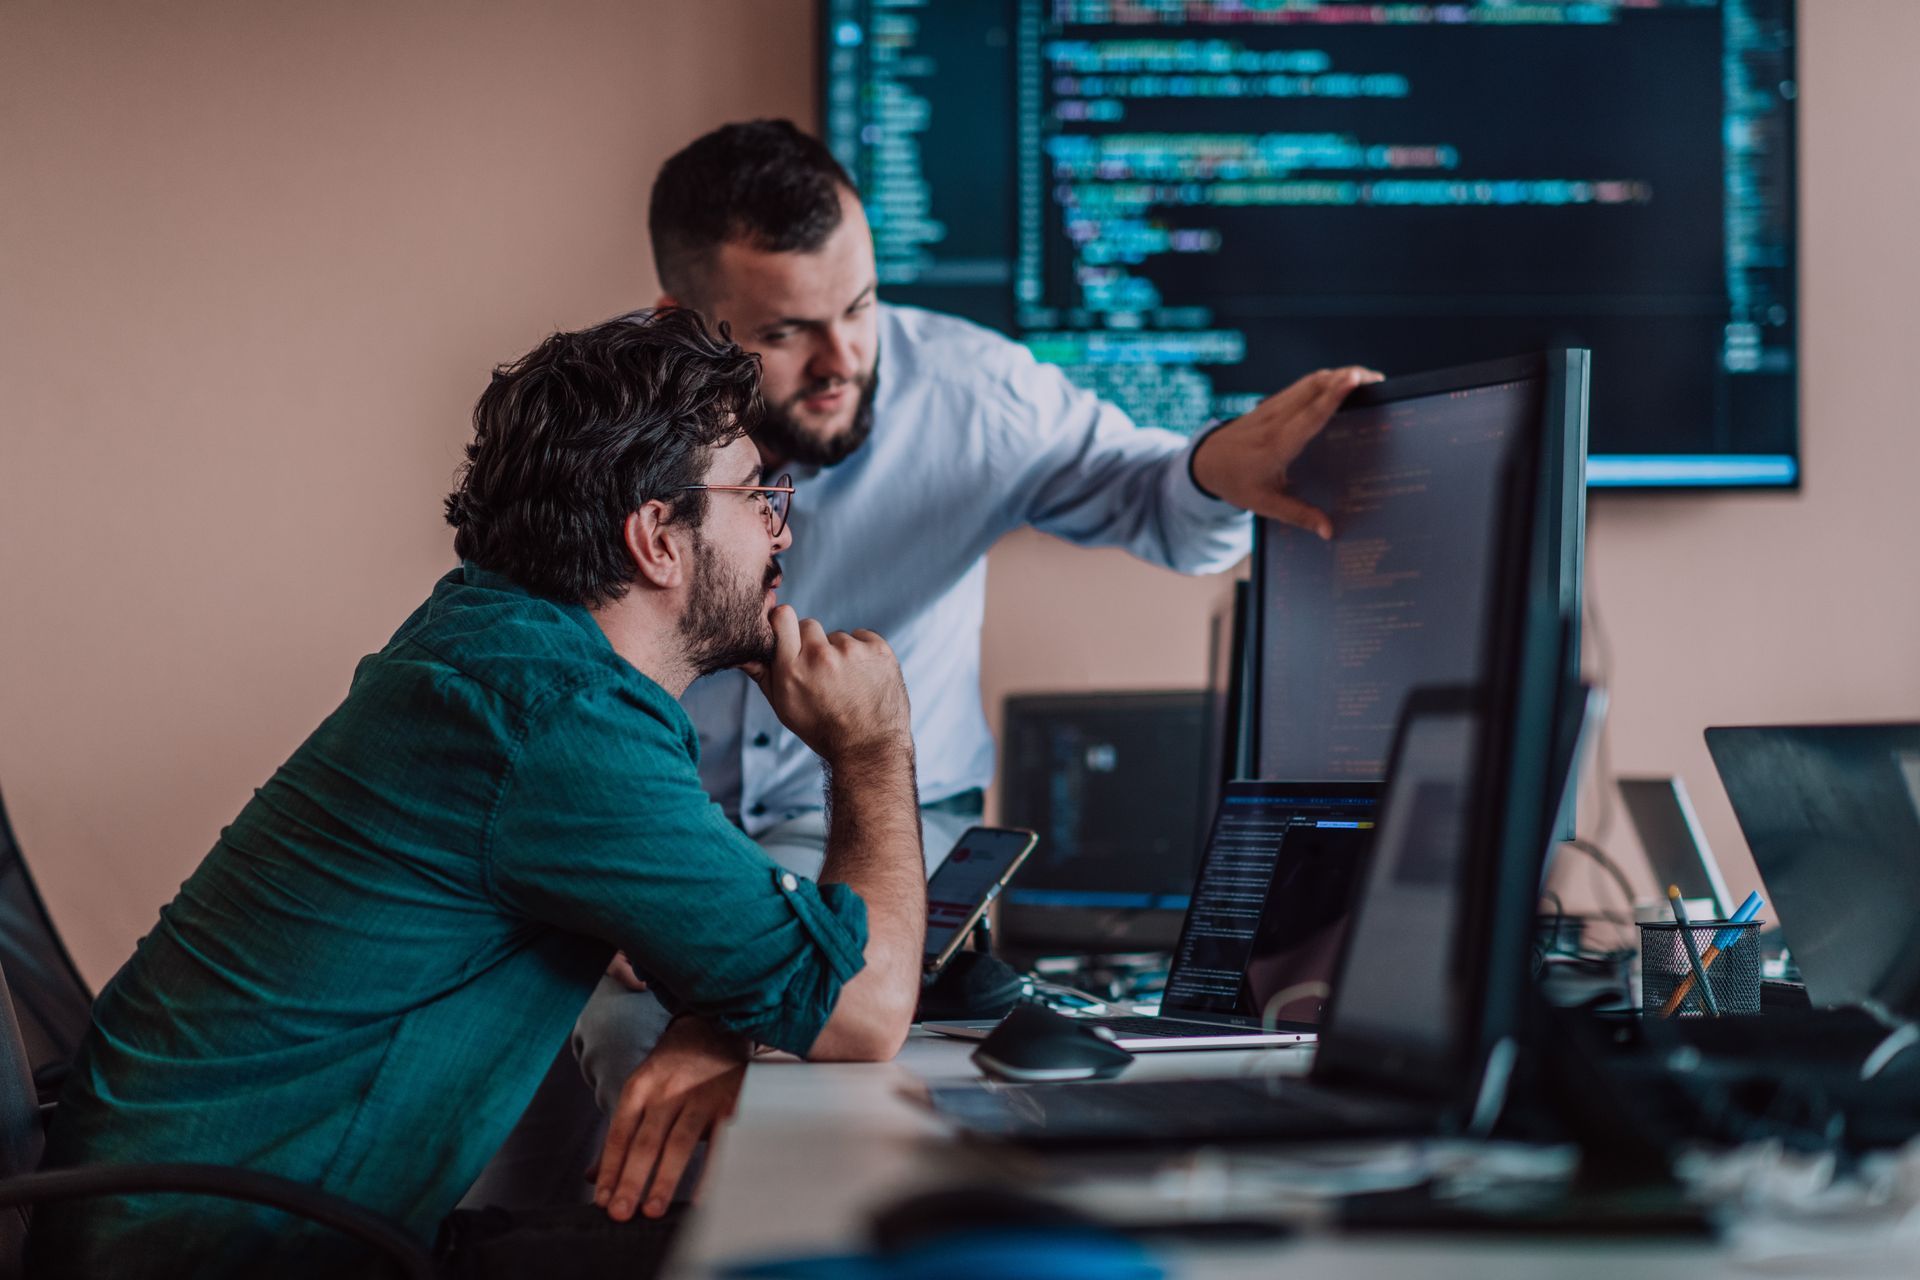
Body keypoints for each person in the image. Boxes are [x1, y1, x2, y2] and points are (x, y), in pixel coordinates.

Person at [555, 118, 1379, 1188]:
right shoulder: (596, 419)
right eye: (786, 333)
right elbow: (551, 655)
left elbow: (1153, 493)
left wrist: (1223, 465)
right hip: (660, 809)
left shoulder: (977, 396)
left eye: (860, 307)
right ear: (681, 322)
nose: (844, 360)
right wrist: (608, 873)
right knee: (576, 1021)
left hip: (874, 822)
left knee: (689, 1039)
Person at [31, 309, 927, 1278]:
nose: (781, 528)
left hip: (192, 1225)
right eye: (757, 494)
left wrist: (719, 1007)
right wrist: (871, 744)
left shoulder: (497, 642)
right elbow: (865, 1010)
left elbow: (693, 923)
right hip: (236, 1253)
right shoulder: (557, 719)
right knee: (835, 1249)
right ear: (657, 539)